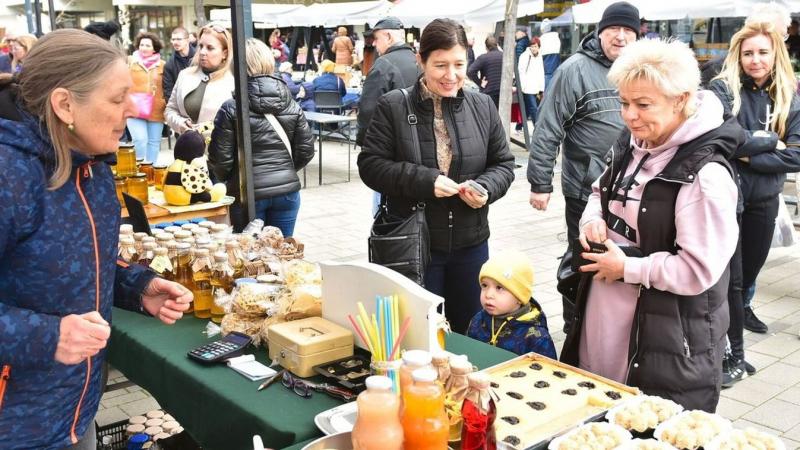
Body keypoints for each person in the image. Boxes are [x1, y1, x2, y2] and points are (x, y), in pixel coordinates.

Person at [0, 29, 192, 449]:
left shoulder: (92, 165)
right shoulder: (9, 173)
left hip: (73, 408)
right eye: (117, 97)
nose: (133, 108)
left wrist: (136, 285)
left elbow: (80, 257)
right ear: (65, 104)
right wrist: (46, 336)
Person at [560, 38, 742, 412]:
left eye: (643, 105)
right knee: (599, 413)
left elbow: (698, 269)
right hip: (606, 310)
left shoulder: (705, 176)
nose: (629, 115)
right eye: (624, 102)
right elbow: (600, 191)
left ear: (682, 100)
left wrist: (626, 267)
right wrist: (593, 219)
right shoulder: (637, 141)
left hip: (663, 334)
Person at [357, 18, 515, 334]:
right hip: (414, 245)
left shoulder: (482, 106)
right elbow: (370, 165)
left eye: (459, 64)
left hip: (471, 245)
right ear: (421, 60)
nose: (451, 75)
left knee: (468, 334)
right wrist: (424, 181)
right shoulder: (394, 106)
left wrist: (485, 188)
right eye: (440, 65)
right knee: (417, 334)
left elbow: (504, 164)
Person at [527, 1, 639, 333]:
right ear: (600, 32)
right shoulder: (574, 69)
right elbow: (548, 127)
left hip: (632, 189)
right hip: (586, 186)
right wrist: (540, 183)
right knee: (585, 257)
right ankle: (575, 328)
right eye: (613, 29)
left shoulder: (640, 68)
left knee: (618, 259)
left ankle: (608, 329)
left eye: (628, 30)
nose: (620, 37)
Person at [709, 21, 800, 379]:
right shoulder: (723, 89)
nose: (755, 60)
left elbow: (796, 155)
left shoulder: (789, 96)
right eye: (748, 53)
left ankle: (733, 338)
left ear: (775, 53)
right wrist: (768, 142)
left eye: (762, 52)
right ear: (738, 55)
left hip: (764, 201)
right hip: (725, 200)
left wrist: (747, 153)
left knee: (747, 277)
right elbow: (721, 138)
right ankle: (729, 353)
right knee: (728, 280)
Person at [208, 39, 315, 236]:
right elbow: (306, 151)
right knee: (283, 255)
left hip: (247, 193)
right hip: (287, 192)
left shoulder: (231, 108)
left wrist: (231, 178)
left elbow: (220, 161)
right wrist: (283, 170)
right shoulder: (291, 104)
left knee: (249, 259)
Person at [466, 251, 557, 358]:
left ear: (519, 297)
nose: (489, 294)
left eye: (499, 288)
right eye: (484, 285)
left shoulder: (536, 338)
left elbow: (547, 371)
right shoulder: (478, 321)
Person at [355, 16, 420, 147]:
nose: (373, 43)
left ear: (389, 37)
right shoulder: (419, 61)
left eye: (376, 38)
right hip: (417, 141)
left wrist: (363, 141)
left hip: (389, 143)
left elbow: (368, 110)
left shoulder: (383, 65)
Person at [165, 22, 234, 135]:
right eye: (201, 46)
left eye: (210, 48)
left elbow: (237, 122)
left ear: (224, 53)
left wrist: (204, 129)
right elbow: (170, 110)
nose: (202, 52)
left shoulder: (234, 81)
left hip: (220, 150)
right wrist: (180, 124)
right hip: (187, 148)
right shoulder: (184, 75)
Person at [127, 32, 166, 163]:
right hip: (134, 108)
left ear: (154, 48)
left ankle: (152, 172)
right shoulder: (130, 62)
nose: (144, 48)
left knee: (154, 142)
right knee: (140, 139)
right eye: (141, 45)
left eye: (147, 45)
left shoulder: (162, 65)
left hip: (156, 109)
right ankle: (138, 169)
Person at [467, 35, 503, 108]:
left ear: (486, 47)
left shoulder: (483, 58)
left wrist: (480, 83)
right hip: (504, 91)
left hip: (489, 90)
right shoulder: (504, 56)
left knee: (490, 116)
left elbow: (470, 71)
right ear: (497, 45)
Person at [163, 26, 196, 105]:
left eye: (179, 39)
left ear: (187, 40)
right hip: (180, 107)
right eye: (173, 39)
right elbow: (168, 92)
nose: (175, 42)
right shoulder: (169, 64)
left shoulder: (199, 57)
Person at [518, 37, 544, 126]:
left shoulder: (540, 56)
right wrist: (522, 86)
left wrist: (541, 88)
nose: (534, 48)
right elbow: (521, 72)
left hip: (536, 87)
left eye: (535, 46)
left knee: (527, 109)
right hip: (527, 87)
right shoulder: (525, 56)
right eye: (532, 46)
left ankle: (519, 126)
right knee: (533, 108)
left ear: (539, 47)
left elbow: (541, 73)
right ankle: (537, 128)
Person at [539, 19, 561, 90]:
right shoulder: (556, 38)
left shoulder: (541, 40)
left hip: (545, 72)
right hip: (556, 70)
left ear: (542, 29)